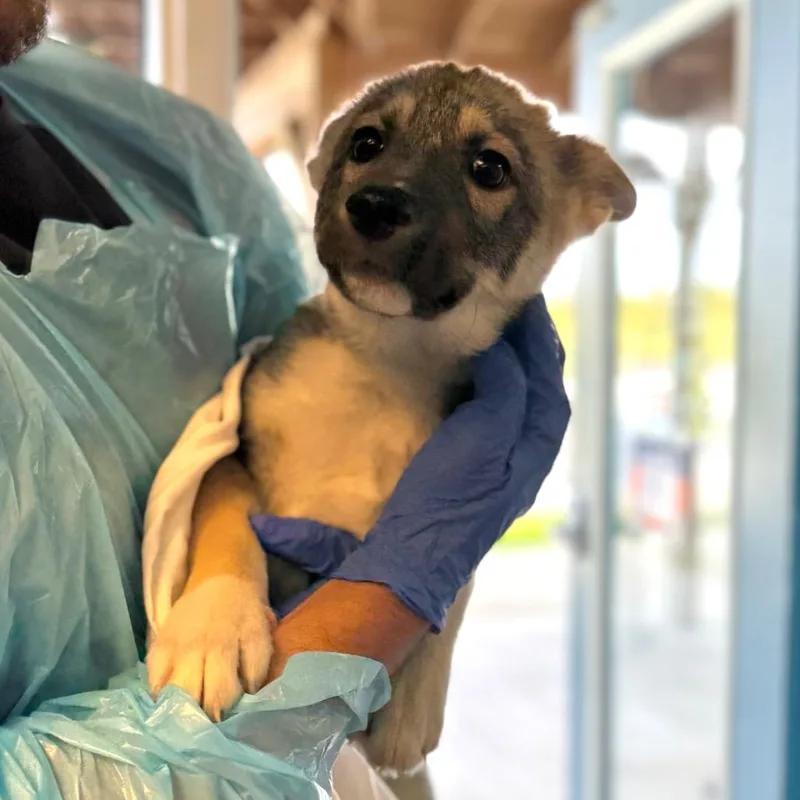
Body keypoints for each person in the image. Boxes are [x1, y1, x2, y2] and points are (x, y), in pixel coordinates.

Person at [0, 2, 570, 798]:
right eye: (366, 148)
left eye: (485, 169)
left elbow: (242, 427)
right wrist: (370, 613)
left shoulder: (148, 142)